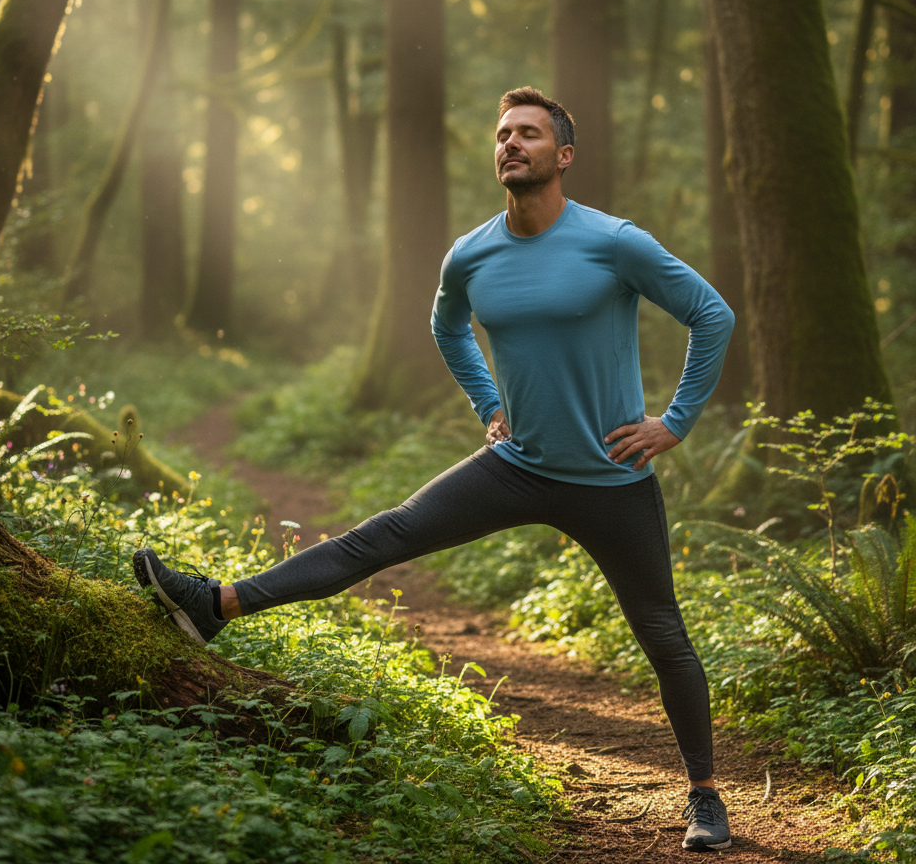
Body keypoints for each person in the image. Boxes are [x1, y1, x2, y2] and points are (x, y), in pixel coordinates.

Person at [133, 87, 736, 852]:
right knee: (379, 538)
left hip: (611, 479)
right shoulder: (473, 252)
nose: (511, 143)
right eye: (503, 134)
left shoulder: (615, 243)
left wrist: (672, 423)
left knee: (662, 634)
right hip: (515, 465)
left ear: (564, 155)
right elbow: (446, 327)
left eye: (529, 133)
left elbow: (712, 315)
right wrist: (489, 401)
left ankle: (706, 796)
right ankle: (215, 604)